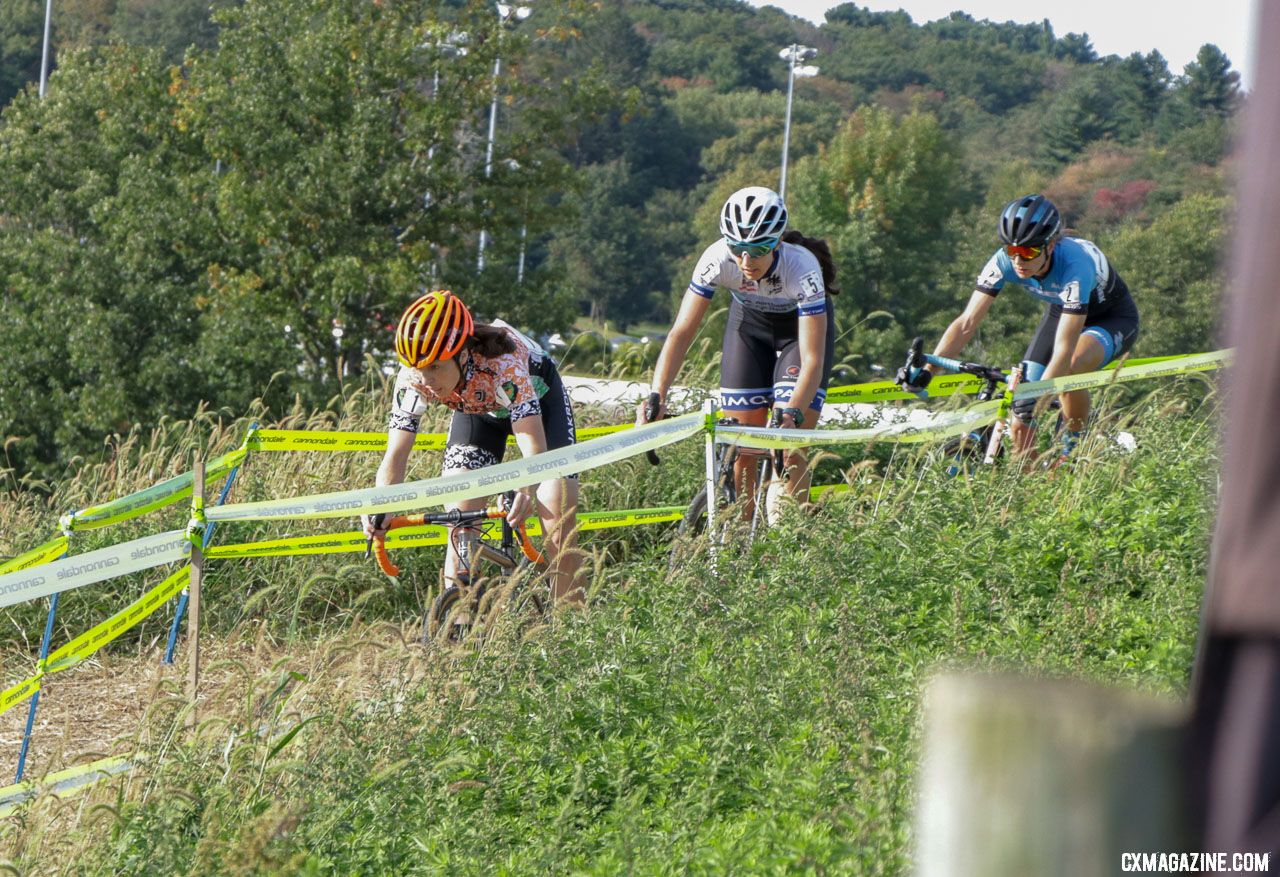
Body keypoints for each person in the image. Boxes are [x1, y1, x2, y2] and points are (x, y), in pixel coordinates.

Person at [362, 289, 583, 605]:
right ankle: (458, 632)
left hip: (539, 408)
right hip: (480, 416)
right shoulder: (413, 378)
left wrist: (526, 489)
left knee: (556, 516)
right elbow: (396, 455)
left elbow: (532, 442)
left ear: (463, 352)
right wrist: (380, 506)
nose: (426, 379)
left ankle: (572, 625)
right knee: (459, 523)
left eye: (436, 367)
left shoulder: (503, 365)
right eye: (418, 368)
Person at [899, 194, 1140, 463]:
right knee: (1019, 422)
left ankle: (1072, 455)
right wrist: (928, 371)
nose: (1018, 260)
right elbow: (966, 323)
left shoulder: (1075, 264)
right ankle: (1034, 486)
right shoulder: (1004, 260)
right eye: (1012, 251)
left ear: (1050, 245)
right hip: (1061, 310)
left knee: (1070, 368)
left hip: (1110, 317)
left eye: (1028, 252)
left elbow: (1064, 347)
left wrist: (1038, 395)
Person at [639, 186, 837, 505]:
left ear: (776, 242)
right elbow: (681, 333)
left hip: (797, 337)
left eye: (757, 249)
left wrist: (791, 416)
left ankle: (792, 542)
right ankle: (739, 548)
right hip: (749, 328)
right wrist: (657, 394)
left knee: (789, 452)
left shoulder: (802, 267)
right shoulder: (716, 258)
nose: (745, 260)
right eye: (736, 247)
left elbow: (813, 359)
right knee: (741, 451)